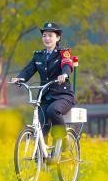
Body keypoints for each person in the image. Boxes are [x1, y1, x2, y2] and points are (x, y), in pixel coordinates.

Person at [9, 22, 75, 156]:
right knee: (41, 122)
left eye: (50, 35)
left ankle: (63, 139)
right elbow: (28, 70)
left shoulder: (63, 53)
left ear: (57, 38)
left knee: (53, 110)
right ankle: (42, 157)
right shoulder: (38, 56)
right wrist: (20, 78)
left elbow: (67, 64)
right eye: (44, 36)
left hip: (63, 96)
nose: (47, 38)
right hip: (45, 96)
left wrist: (64, 74)